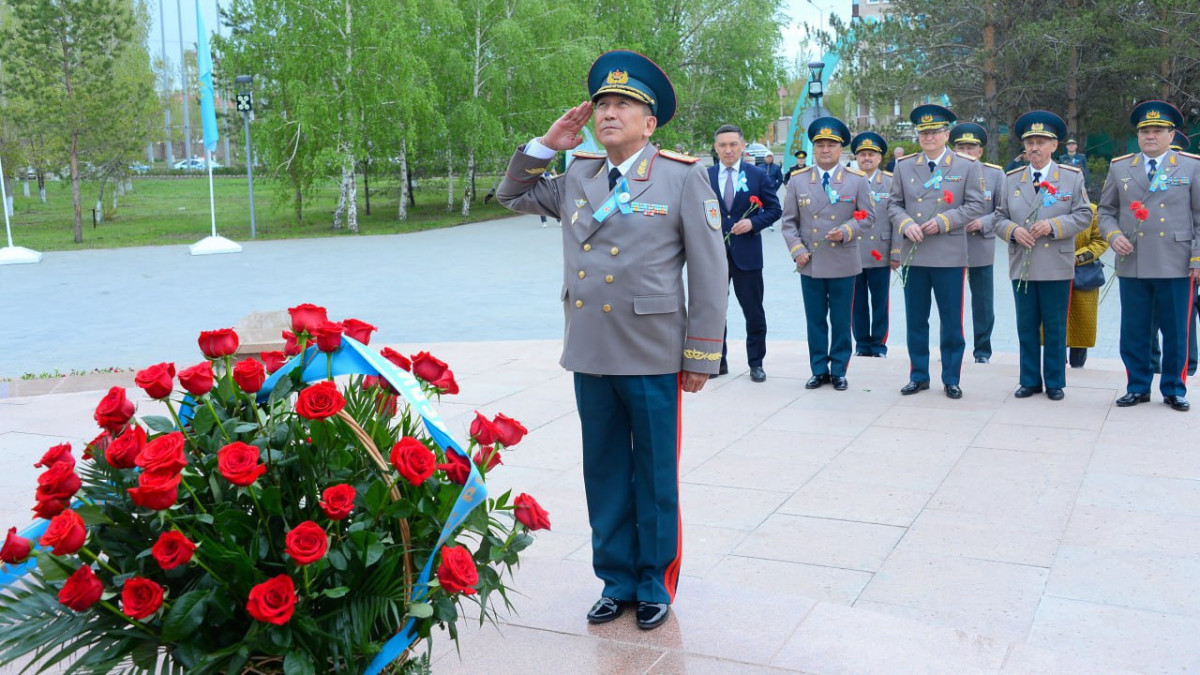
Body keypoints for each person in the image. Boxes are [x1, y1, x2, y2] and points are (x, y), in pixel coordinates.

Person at [496, 50, 728, 629]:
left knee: (654, 474)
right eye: (602, 103)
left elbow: (709, 271)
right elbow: (512, 195)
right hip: (592, 348)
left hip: (651, 350)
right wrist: (546, 145)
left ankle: (654, 584)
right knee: (602, 471)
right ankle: (615, 580)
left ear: (650, 123)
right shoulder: (578, 174)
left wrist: (701, 354)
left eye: (623, 104)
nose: (608, 113)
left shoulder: (681, 176)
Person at [1099, 100, 1200, 411]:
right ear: (1138, 135)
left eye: (1158, 130)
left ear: (1171, 135)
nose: (1150, 136)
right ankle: (1138, 386)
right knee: (1135, 330)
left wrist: (1197, 258)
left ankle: (1174, 388)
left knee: (1176, 331)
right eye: (1145, 131)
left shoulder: (1191, 166)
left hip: (1176, 261)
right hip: (1135, 261)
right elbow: (1105, 211)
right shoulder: (1120, 167)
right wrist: (1114, 236)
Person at [993, 111, 1092, 400]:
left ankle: (1055, 381)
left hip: (1056, 263)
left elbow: (1084, 215)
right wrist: (1012, 231)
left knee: (1055, 327)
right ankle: (1029, 380)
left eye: (1040, 142)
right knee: (1026, 326)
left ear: (1054, 146)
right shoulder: (1012, 178)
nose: (1034, 148)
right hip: (1022, 264)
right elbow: (998, 217)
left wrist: (1053, 226)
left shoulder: (1071, 178)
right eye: (1030, 142)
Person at [889, 104, 986, 398]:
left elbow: (976, 205)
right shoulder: (904, 166)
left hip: (948, 253)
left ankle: (951, 377)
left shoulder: (966, 165)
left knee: (951, 321)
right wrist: (905, 223)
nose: (929, 137)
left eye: (935, 131)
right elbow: (893, 204)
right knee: (916, 320)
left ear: (946, 134)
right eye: (924, 132)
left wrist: (945, 221)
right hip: (915, 253)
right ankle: (918, 375)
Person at [781, 116, 874, 390]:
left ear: (840, 149)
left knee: (841, 320)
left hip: (843, 260)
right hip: (810, 261)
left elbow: (867, 216)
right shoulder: (798, 180)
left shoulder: (856, 181)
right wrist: (797, 250)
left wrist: (846, 230)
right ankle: (819, 369)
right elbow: (789, 222)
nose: (825, 150)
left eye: (831, 145)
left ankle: (839, 369)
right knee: (815, 320)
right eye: (820, 145)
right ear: (813, 148)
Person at [709, 124, 783, 382]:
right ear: (716, 148)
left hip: (747, 256)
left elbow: (774, 210)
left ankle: (756, 363)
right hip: (714, 256)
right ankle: (717, 361)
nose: (728, 150)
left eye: (733, 144)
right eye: (723, 145)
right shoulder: (704, 176)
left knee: (753, 312)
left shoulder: (757, 175)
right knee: (715, 311)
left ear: (742, 146)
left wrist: (753, 223)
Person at [949, 122, 1006, 364]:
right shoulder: (945, 173)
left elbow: (1002, 210)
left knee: (982, 301)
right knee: (950, 300)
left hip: (980, 243)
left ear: (980, 151)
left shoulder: (994, 174)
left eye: (971, 148)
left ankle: (982, 350)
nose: (966, 152)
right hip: (950, 244)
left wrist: (983, 222)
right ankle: (951, 347)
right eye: (961, 148)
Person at [849, 131, 893, 357]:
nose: (867, 158)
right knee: (856, 302)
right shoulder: (847, 181)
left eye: (871, 154)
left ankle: (878, 345)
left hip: (880, 251)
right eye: (862, 154)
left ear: (879, 158)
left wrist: (896, 251)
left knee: (880, 301)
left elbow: (896, 218)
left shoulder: (891, 182)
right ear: (857, 157)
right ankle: (862, 344)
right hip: (853, 251)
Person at [1067, 204, 1109, 368]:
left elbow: (1101, 240)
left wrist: (1077, 258)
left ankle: (1078, 366)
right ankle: (1056, 364)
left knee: (1082, 324)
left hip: (1085, 273)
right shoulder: (1053, 207)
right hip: (1055, 270)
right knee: (1055, 322)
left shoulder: (1093, 210)